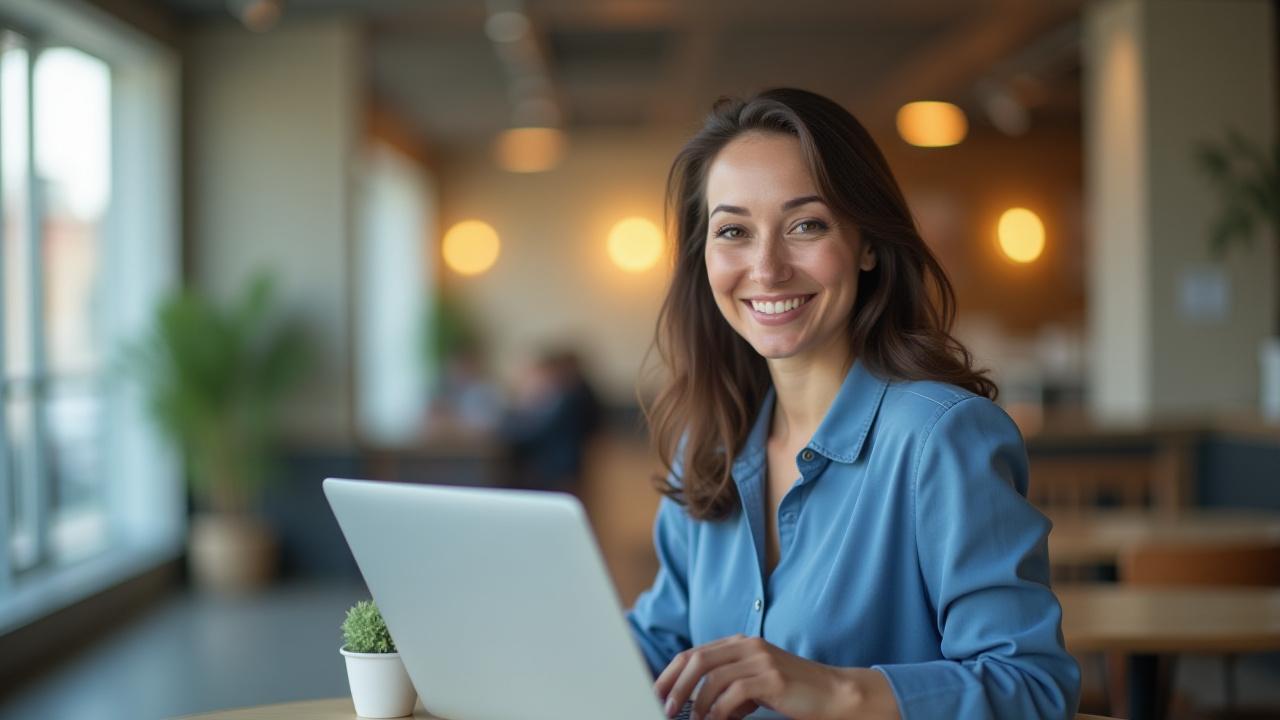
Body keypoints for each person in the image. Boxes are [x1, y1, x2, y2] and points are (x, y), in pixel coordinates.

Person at [626, 88, 1080, 720]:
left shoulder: (941, 439)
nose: (767, 267)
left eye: (806, 225)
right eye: (733, 231)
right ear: (704, 259)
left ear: (867, 244)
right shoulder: (709, 445)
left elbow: (1032, 689)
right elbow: (663, 647)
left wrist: (835, 691)